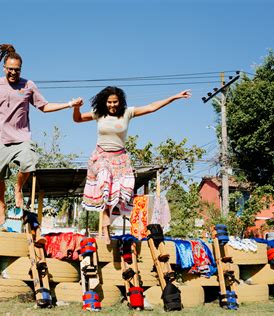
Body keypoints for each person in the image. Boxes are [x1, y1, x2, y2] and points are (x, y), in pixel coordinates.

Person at [0, 43, 83, 225]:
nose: (13, 73)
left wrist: (69, 104)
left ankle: (18, 188)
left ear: (21, 69)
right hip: (0, 140)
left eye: (17, 70)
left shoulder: (28, 85)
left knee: (30, 162)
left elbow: (44, 106)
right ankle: (2, 204)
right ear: (4, 68)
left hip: (21, 138)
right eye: (10, 69)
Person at [73, 86, 191, 243]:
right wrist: (76, 108)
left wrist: (174, 97)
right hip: (101, 157)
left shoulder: (127, 113)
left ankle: (110, 222)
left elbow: (151, 107)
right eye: (109, 102)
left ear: (120, 102)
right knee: (104, 183)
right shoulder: (99, 113)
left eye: (115, 102)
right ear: (105, 102)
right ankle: (105, 228)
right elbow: (78, 119)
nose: (112, 105)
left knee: (121, 194)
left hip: (120, 159)